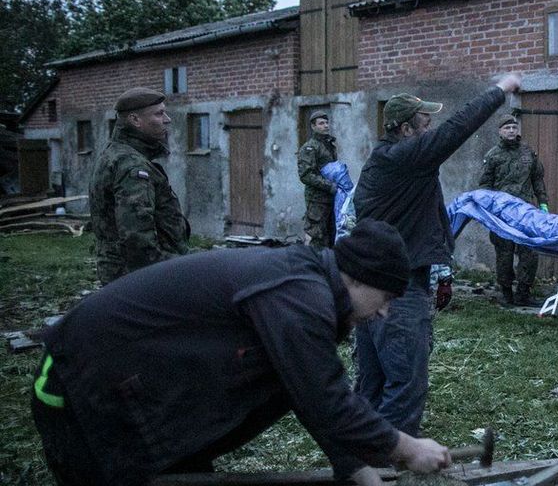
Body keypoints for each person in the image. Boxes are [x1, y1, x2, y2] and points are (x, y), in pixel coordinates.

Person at [31, 219, 452, 486]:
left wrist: (354, 466)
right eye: (385, 298)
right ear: (359, 280)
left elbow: (301, 387)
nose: (383, 312)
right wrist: (406, 448)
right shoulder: (299, 296)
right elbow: (326, 397)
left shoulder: (304, 285)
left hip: (137, 388)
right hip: (81, 390)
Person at [352, 74, 521, 436]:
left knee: (373, 379)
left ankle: (362, 453)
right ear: (406, 130)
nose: (431, 130)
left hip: (375, 285)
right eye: (425, 123)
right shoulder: (403, 158)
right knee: (405, 380)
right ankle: (393, 462)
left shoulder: (390, 160)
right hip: (396, 289)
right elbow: (457, 130)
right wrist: (499, 91)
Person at [89, 87, 190, 283]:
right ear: (135, 120)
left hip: (125, 274)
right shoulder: (132, 165)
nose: (167, 119)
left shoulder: (116, 153)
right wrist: (179, 271)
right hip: (139, 278)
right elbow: (138, 241)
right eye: (159, 114)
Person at [478, 115, 550, 307]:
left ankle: (524, 293)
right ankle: (506, 293)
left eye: (514, 127)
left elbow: (537, 178)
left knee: (529, 251)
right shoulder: (493, 155)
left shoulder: (528, 152)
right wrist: (489, 210)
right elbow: (485, 185)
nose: (511, 130)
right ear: (500, 132)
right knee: (504, 252)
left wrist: (543, 203)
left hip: (526, 211)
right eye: (507, 128)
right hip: (502, 213)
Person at [298, 110, 339, 248]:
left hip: (331, 198)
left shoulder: (329, 145)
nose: (326, 126)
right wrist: (329, 186)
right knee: (316, 236)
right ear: (313, 126)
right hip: (317, 200)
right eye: (321, 123)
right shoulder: (310, 148)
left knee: (332, 234)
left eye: (327, 123)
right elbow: (306, 175)